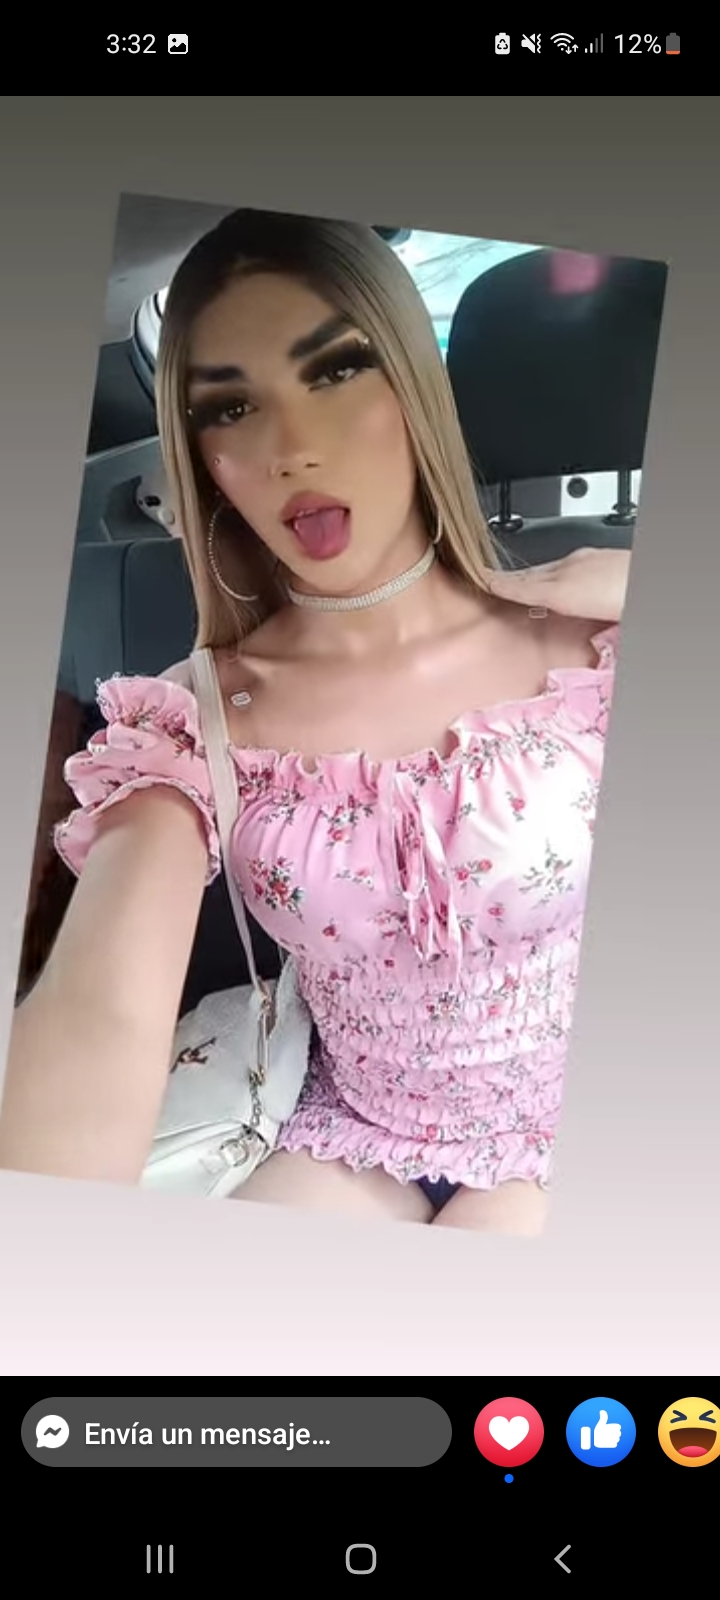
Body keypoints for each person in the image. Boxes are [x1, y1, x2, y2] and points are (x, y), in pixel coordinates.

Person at [0, 209, 629, 1233]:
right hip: (351, 1130)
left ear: (412, 387)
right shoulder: (193, 717)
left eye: (335, 370)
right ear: (203, 456)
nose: (292, 449)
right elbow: (99, 1010)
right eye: (232, 407)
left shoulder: (596, 644)